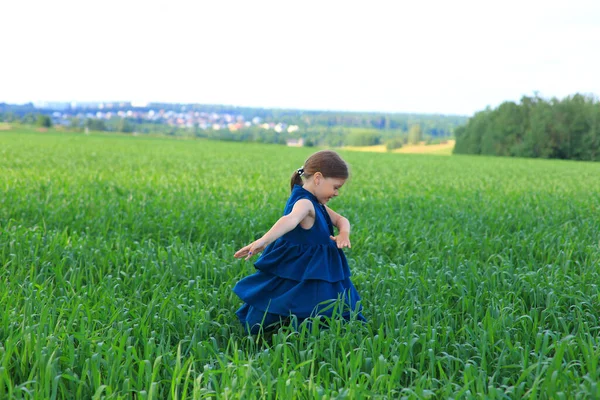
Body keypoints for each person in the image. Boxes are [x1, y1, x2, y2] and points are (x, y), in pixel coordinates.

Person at [233, 150, 365, 334]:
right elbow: (290, 219)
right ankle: (305, 334)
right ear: (318, 178)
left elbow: (341, 219)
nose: (336, 193)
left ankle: (305, 331)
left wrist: (344, 233)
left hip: (312, 263)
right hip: (307, 264)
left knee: (308, 297)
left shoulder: (316, 202)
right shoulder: (305, 203)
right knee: (309, 300)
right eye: (335, 187)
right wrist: (264, 241)